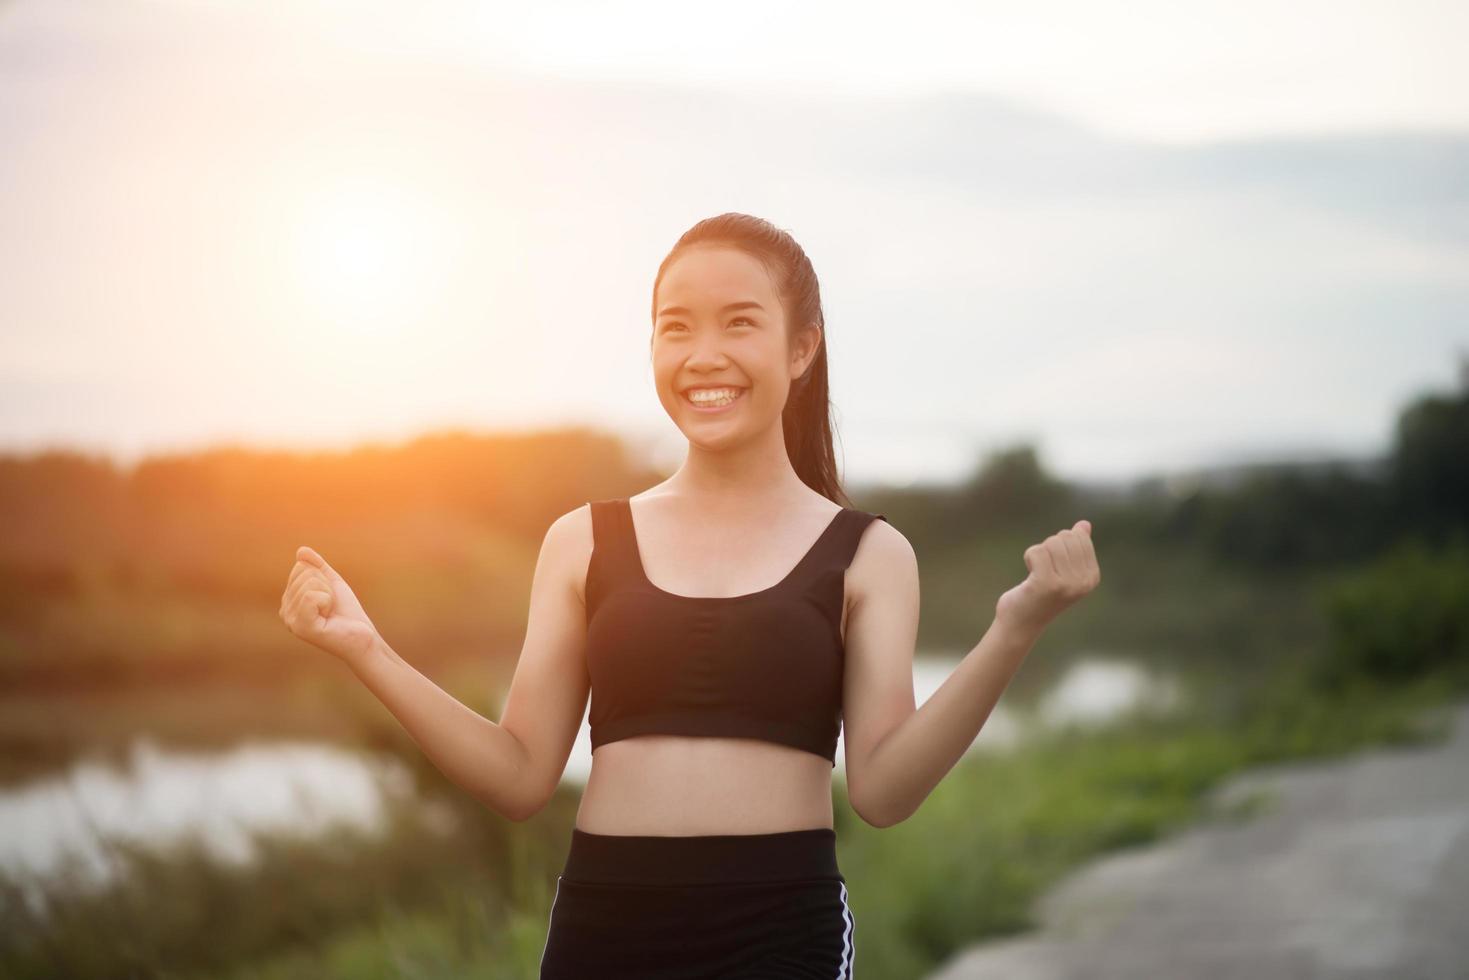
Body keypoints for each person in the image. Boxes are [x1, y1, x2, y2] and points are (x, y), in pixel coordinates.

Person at [278, 212, 1101, 978]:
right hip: (604, 929)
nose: (702, 354)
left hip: (781, 931)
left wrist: (1012, 629)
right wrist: (364, 648)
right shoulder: (583, 541)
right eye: (676, 327)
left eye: (739, 322)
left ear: (801, 348)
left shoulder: (868, 554)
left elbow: (883, 792)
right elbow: (520, 775)